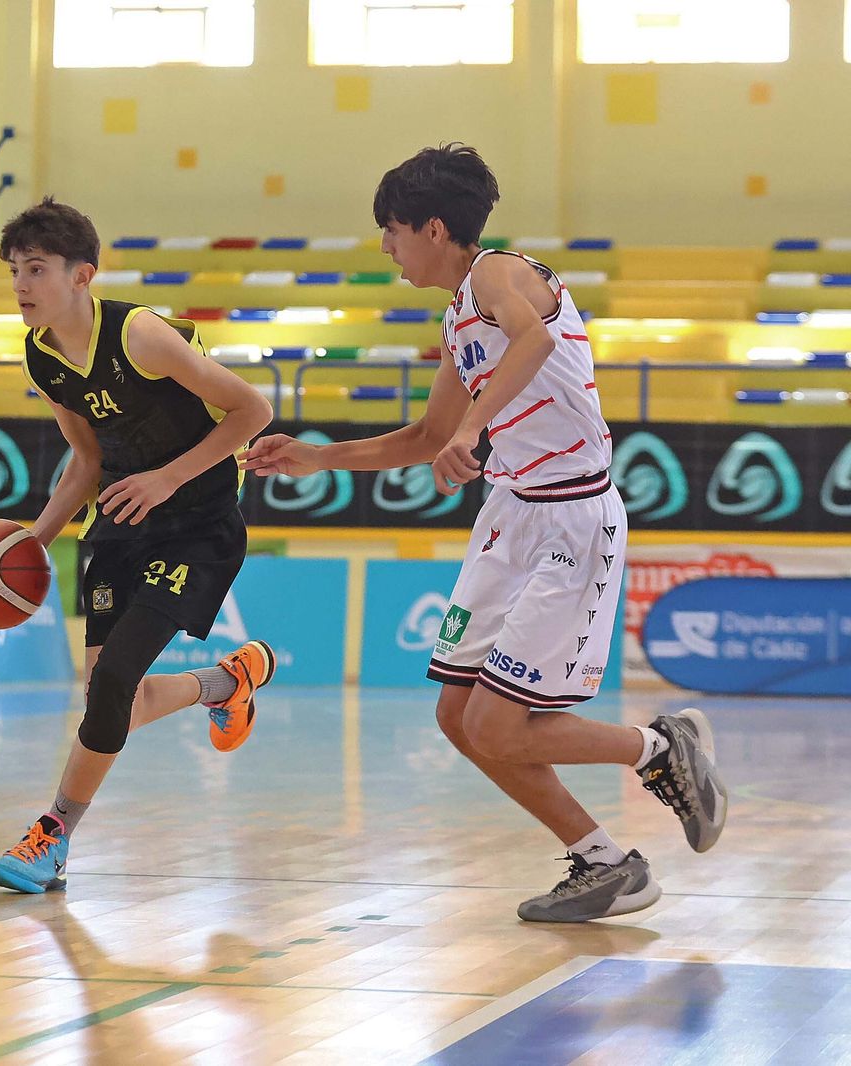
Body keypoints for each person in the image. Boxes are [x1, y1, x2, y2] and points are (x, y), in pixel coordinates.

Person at [243, 143, 728, 922]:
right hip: (511, 515)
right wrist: (316, 458)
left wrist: (474, 426)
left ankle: (663, 750)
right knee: (459, 719)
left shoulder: (500, 272)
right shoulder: (457, 317)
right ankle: (607, 863)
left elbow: (531, 342)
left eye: (392, 232)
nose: (386, 249)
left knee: (502, 723)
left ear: (434, 229)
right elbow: (429, 436)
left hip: (573, 516)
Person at [0, 197, 277, 894]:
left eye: (37, 269)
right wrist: (31, 541)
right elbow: (84, 462)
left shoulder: (140, 337)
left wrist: (166, 479)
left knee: (113, 685)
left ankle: (51, 837)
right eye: (15, 271)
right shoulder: (41, 355)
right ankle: (225, 682)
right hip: (119, 520)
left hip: (198, 522)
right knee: (108, 700)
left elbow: (253, 410)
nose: (22, 285)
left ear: (83, 275)